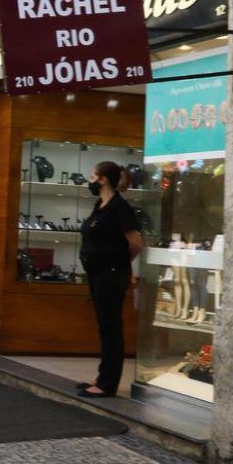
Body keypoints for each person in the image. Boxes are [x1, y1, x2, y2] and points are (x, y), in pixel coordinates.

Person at [77, 161, 143, 399]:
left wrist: (120, 263)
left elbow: (135, 243)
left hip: (111, 274)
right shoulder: (100, 205)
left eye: (93, 176)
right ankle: (102, 376)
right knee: (104, 327)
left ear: (103, 179)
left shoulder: (119, 207)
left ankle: (108, 383)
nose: (90, 181)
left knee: (111, 327)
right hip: (98, 273)